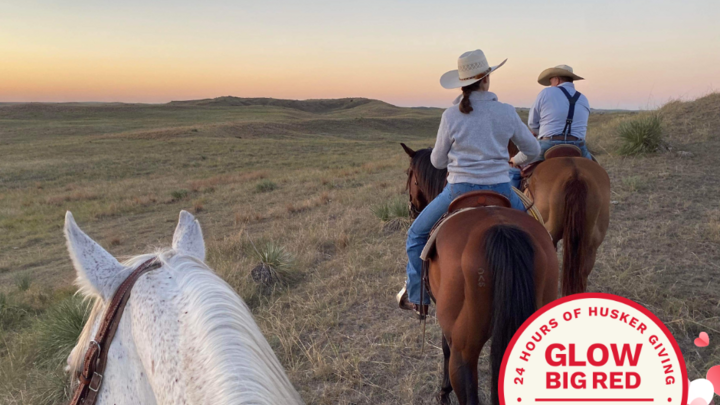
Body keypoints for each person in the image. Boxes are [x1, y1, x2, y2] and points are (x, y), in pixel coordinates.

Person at [400, 49, 541, 317]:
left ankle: (418, 298)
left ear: (462, 83)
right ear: (487, 79)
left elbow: (438, 162)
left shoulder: (451, 115)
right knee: (537, 234)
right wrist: (514, 161)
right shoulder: (506, 111)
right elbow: (533, 151)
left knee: (416, 236)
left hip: (458, 191)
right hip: (501, 190)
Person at [510, 65, 592, 172]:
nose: (550, 85)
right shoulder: (583, 98)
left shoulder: (546, 93)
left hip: (548, 145)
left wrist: (540, 132)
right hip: (578, 145)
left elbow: (532, 123)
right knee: (596, 172)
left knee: (516, 169)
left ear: (557, 80)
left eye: (551, 81)